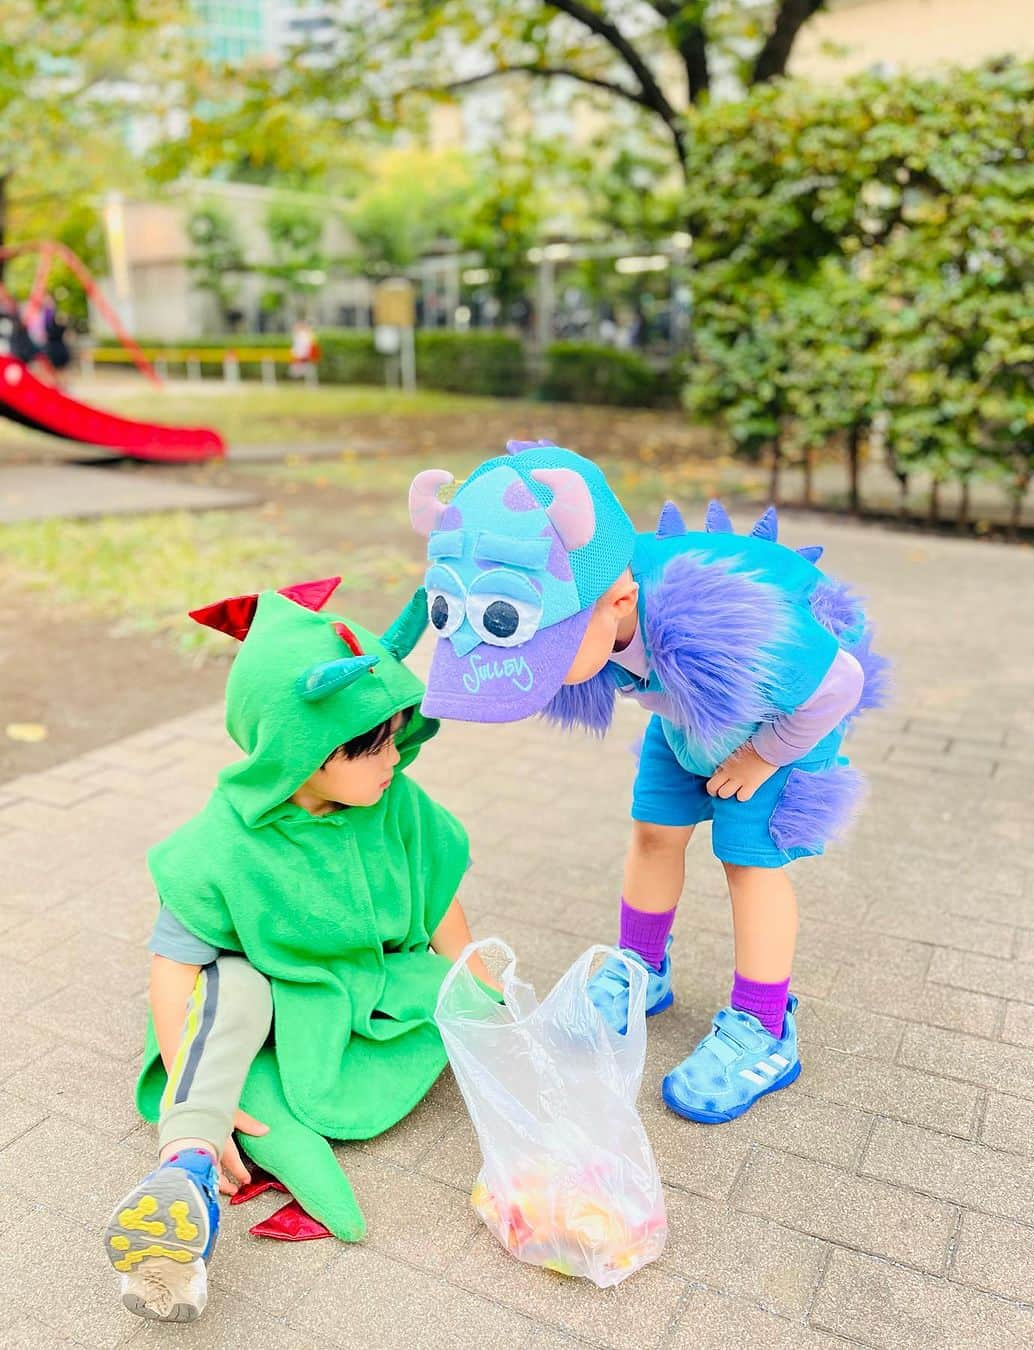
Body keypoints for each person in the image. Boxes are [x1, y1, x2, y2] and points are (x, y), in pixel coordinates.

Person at [405, 442, 888, 1127]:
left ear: (621, 599)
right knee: (655, 829)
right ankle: (640, 969)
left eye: (549, 652)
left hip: (782, 721)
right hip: (688, 710)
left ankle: (763, 1027)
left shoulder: (723, 627)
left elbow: (839, 681)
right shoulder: (595, 592)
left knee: (748, 861)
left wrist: (762, 757)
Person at [104, 577, 497, 1323]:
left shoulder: (392, 801)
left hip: (367, 990)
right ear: (302, 753)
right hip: (264, 994)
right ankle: (187, 1159)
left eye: (395, 734)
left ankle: (233, 1149)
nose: (393, 758)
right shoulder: (224, 845)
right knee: (235, 991)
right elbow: (175, 963)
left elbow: (436, 892)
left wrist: (479, 989)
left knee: (404, 1026)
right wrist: (185, 1071)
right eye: (370, 746)